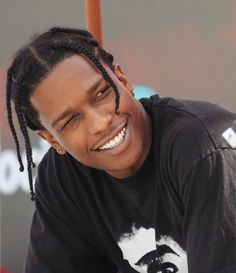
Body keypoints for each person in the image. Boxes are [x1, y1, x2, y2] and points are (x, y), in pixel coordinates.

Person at [6, 27, 236, 273]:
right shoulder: (62, 177)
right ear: (53, 140)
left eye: (102, 94)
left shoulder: (204, 148)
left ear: (124, 81)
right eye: (70, 121)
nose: (100, 123)